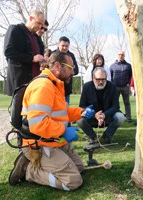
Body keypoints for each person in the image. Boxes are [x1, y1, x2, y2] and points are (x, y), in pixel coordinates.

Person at [8, 52, 95, 191]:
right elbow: (38, 124)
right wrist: (64, 131)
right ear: (57, 66)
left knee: (79, 168)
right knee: (73, 181)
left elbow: (61, 113)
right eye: (71, 67)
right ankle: (29, 170)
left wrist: (81, 112)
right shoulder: (44, 86)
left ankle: (39, 164)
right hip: (39, 143)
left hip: (52, 140)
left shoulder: (55, 84)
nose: (73, 72)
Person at [77, 67, 125, 144]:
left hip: (108, 116)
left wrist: (104, 115)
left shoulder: (112, 86)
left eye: (103, 79)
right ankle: (93, 137)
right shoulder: (86, 86)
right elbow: (82, 106)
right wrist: (94, 115)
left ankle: (106, 137)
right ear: (93, 78)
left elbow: (115, 106)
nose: (101, 82)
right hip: (91, 116)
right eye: (98, 79)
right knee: (79, 119)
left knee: (120, 117)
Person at [4, 9, 45, 96]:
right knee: (18, 109)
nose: (40, 26)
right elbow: (8, 52)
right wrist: (32, 58)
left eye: (42, 24)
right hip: (21, 83)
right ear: (31, 18)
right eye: (39, 23)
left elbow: (38, 55)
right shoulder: (15, 30)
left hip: (35, 82)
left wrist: (42, 61)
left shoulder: (36, 37)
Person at [53, 36, 79, 104]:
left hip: (66, 88)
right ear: (58, 45)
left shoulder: (71, 56)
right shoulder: (53, 54)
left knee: (66, 110)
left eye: (66, 46)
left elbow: (76, 70)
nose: (64, 48)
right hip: (54, 87)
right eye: (63, 45)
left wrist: (67, 71)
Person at [110, 51, 132, 123]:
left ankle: (128, 117)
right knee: (115, 103)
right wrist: (112, 85)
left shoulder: (128, 66)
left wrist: (129, 83)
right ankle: (115, 117)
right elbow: (110, 76)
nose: (120, 56)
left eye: (122, 55)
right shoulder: (112, 66)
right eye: (119, 54)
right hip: (115, 87)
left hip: (125, 87)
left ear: (124, 56)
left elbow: (131, 76)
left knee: (127, 102)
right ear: (117, 55)